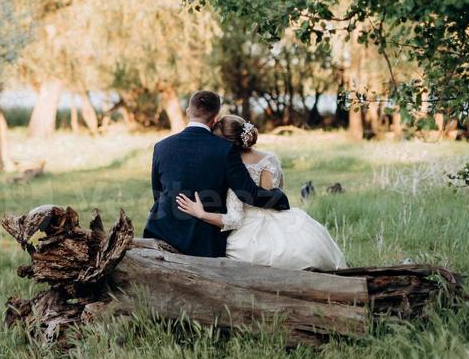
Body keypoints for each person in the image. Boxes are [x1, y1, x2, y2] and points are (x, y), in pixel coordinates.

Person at [174, 114, 347, 270]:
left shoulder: (235, 169)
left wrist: (201, 214)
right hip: (283, 218)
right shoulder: (270, 158)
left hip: (249, 229)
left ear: (224, 144)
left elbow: (234, 219)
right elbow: (277, 191)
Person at [143, 90, 289, 257]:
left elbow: (158, 193)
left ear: (188, 112)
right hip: (202, 241)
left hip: (161, 230)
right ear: (215, 118)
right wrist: (279, 197)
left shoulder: (161, 146)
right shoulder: (225, 150)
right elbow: (249, 194)